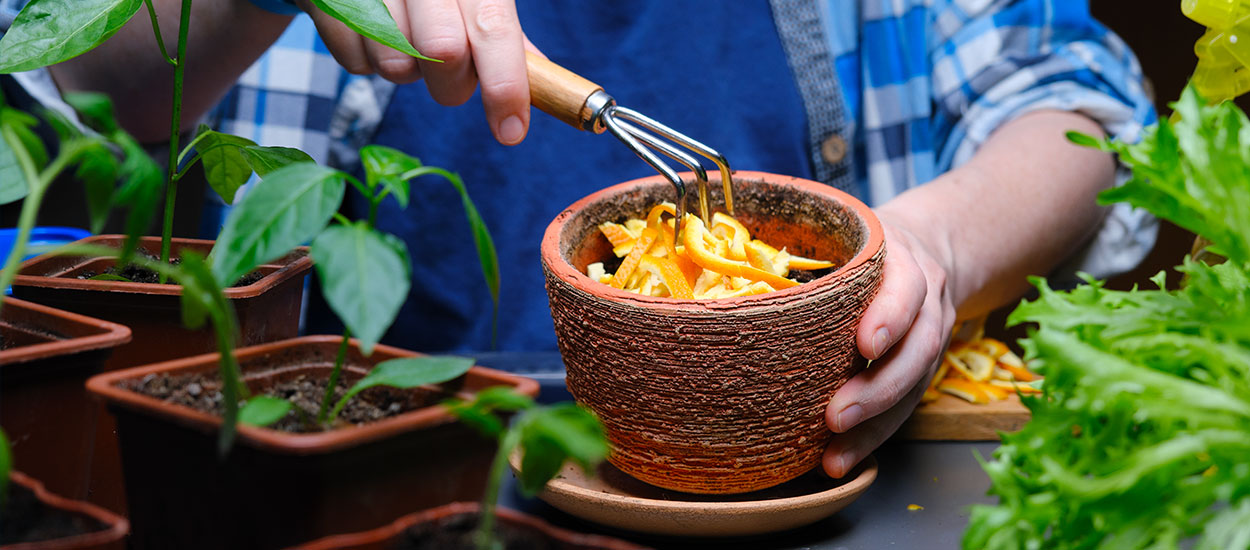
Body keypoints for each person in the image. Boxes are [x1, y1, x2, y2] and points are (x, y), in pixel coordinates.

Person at [10, 0, 1156, 479]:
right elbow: (46, 85)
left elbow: (1078, 104)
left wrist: (936, 246)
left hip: (818, 478)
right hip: (400, 484)